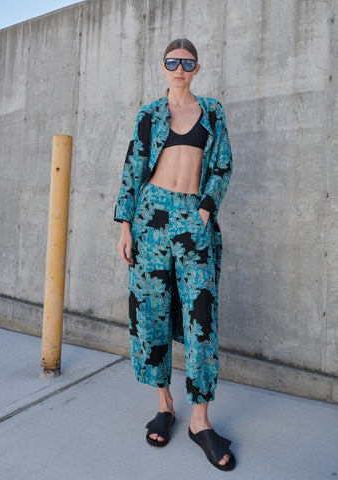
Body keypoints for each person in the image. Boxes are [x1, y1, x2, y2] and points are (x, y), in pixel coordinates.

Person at [114, 38, 235, 471]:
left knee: (201, 319)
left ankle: (199, 420)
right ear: (163, 67)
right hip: (150, 217)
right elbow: (132, 169)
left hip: (192, 218)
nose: (179, 68)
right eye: (172, 62)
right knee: (152, 313)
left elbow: (222, 163)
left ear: (197, 68)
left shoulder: (213, 111)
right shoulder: (148, 114)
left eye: (187, 62)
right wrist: (126, 225)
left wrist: (205, 209)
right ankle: (164, 403)